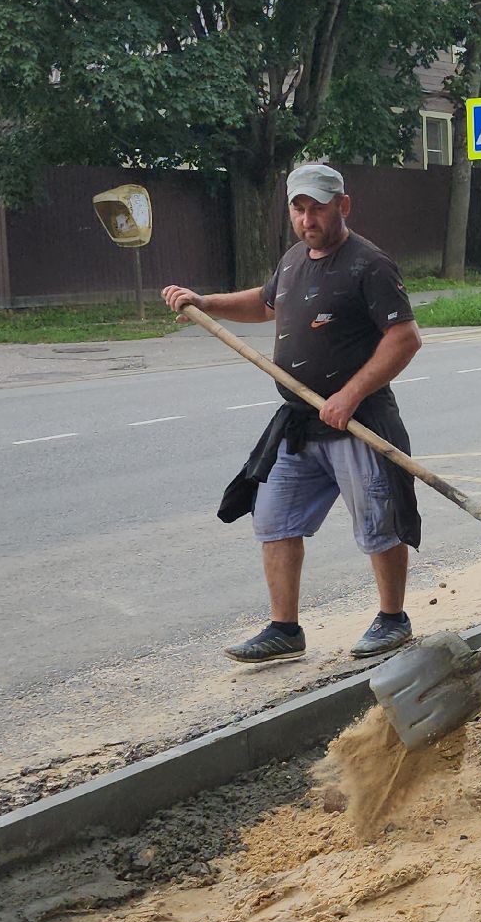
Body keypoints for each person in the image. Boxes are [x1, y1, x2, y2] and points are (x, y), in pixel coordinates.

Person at [162, 163, 425, 664]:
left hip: (358, 421)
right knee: (274, 516)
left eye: (318, 209)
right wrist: (206, 302)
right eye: (298, 209)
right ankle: (284, 629)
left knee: (378, 521)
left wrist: (349, 395)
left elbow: (404, 338)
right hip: (300, 423)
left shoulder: (369, 264)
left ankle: (393, 618)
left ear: (343, 205)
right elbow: (266, 305)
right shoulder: (293, 260)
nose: (308, 220)